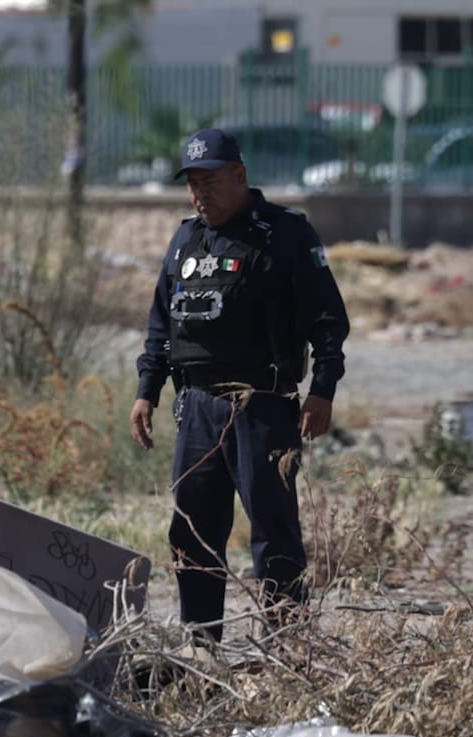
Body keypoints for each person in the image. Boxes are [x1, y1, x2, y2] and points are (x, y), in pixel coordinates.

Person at [129, 128, 349, 643]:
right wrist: (147, 389)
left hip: (263, 405)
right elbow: (163, 324)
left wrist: (323, 387)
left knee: (273, 535)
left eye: (209, 181)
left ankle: (287, 646)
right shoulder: (186, 239)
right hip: (198, 407)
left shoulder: (286, 234)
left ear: (240, 175)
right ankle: (201, 644)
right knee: (192, 532)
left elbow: (327, 319)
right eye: (192, 183)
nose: (199, 193)